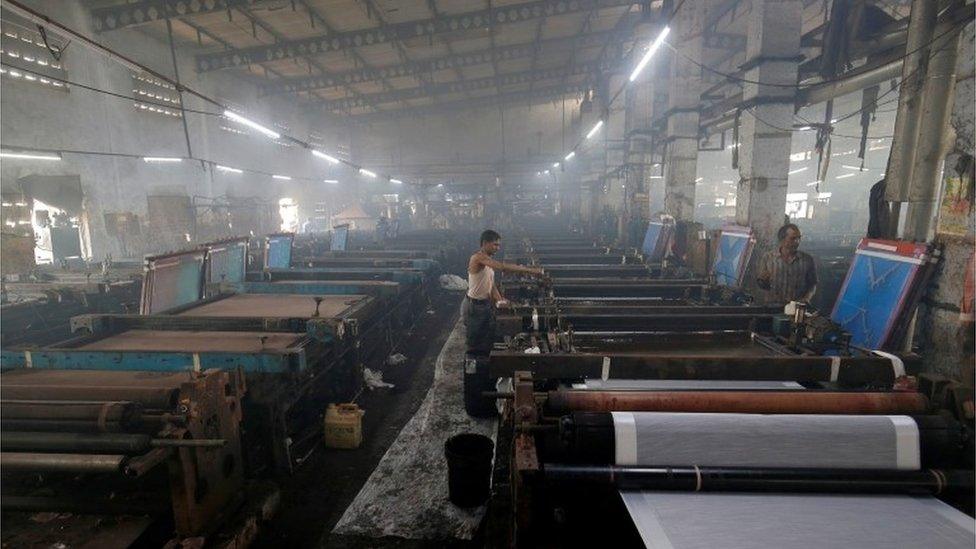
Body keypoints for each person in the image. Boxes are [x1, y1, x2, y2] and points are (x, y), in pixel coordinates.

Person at [463, 229, 544, 356]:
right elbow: (502, 267)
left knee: (486, 339)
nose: (498, 248)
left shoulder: (487, 261)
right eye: (495, 244)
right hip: (475, 306)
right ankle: (472, 371)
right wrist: (531, 270)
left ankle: (484, 366)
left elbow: (491, 284)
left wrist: (500, 299)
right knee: (474, 343)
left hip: (484, 305)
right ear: (485, 243)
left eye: (499, 245)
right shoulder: (477, 258)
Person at [756, 223, 818, 305]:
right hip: (772, 306)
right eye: (793, 238)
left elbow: (812, 284)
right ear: (782, 239)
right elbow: (762, 285)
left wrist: (806, 298)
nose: (797, 242)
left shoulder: (807, 260)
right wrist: (763, 281)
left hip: (796, 307)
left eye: (799, 238)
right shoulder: (768, 258)